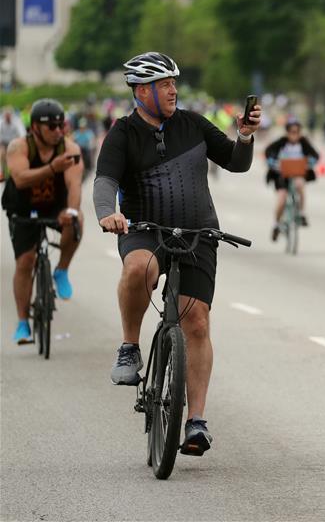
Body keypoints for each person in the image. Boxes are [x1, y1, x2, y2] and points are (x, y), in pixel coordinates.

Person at [95, 52, 259, 456]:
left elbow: (236, 163)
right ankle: (130, 347)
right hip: (145, 230)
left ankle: (196, 421)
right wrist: (108, 214)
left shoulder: (193, 124)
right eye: (165, 84)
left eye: (173, 83)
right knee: (138, 268)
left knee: (198, 323)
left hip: (198, 232)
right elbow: (104, 182)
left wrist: (244, 136)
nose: (173, 89)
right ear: (142, 91)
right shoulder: (122, 132)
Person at [2, 99, 84, 344]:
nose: (59, 131)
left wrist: (70, 210)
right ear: (36, 127)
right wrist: (51, 168)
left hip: (54, 205)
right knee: (26, 262)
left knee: (76, 218)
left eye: (62, 125)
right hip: (23, 208)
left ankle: (61, 270)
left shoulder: (69, 149)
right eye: (52, 126)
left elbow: (74, 185)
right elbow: (20, 179)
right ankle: (22, 323)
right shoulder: (19, 147)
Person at [265, 119, 319, 237]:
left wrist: (311, 162)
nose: (294, 135)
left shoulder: (304, 142)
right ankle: (276, 224)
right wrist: (271, 161)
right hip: (282, 175)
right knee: (282, 198)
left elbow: (315, 155)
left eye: (297, 132)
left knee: (300, 185)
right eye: (292, 132)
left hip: (298, 173)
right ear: (287, 132)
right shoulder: (281, 142)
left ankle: (301, 213)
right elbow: (269, 151)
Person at [1, 106, 27, 181]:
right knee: (2, 155)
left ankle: (15, 172)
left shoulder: (17, 122)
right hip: (5, 143)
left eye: (8, 115)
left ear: (11, 115)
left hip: (15, 142)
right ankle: (2, 172)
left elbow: (22, 133)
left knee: (14, 156)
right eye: (6, 115)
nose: (7, 117)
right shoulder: (1, 123)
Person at [72, 117, 96, 182]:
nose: (82, 128)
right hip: (79, 149)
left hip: (86, 149)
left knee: (88, 156)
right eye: (81, 126)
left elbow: (92, 141)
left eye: (83, 126)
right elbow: (73, 140)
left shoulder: (89, 133)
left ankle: (88, 168)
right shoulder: (76, 133)